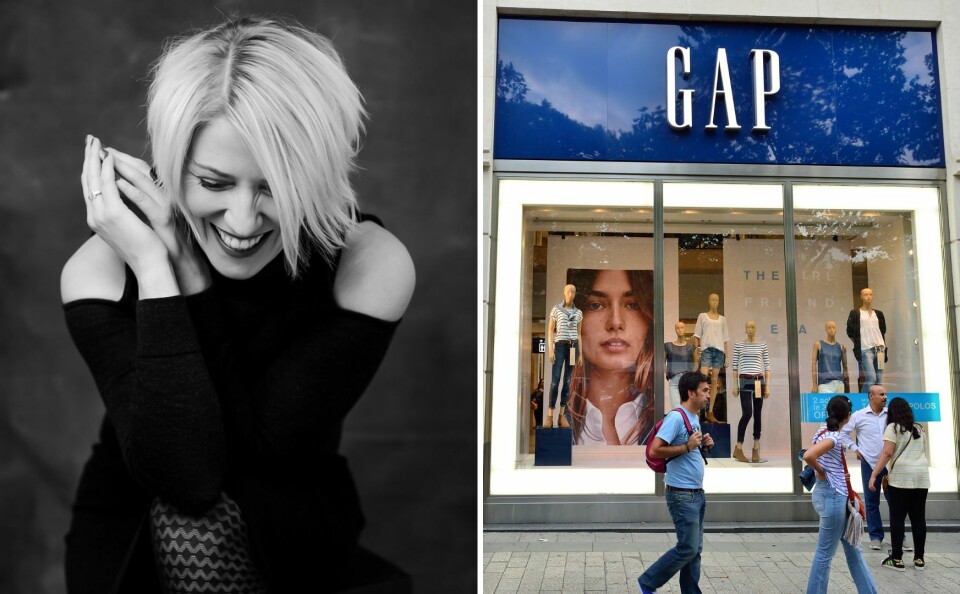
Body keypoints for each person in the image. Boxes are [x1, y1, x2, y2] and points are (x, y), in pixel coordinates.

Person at [60, 17, 415, 592]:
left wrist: (192, 275)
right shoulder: (98, 271)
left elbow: (269, 448)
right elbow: (186, 476)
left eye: (275, 185)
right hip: (135, 519)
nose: (244, 221)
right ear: (173, 164)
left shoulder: (369, 264)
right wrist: (157, 271)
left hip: (289, 509)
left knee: (202, 524)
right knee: (188, 520)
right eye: (214, 183)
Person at [637, 371, 714, 594]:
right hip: (682, 494)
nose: (708, 395)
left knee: (694, 550)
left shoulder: (694, 418)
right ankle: (648, 581)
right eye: (705, 391)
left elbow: (689, 447)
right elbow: (656, 449)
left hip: (696, 493)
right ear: (691, 393)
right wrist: (687, 446)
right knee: (687, 548)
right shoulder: (676, 417)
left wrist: (703, 444)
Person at [566, 269, 655, 445]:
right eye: (595, 305)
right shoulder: (562, 419)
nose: (615, 322)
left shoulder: (660, 419)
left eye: (633, 305)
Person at [802, 395, 879, 594]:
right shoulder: (833, 437)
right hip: (833, 496)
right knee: (825, 554)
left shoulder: (823, 431)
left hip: (831, 495)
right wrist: (821, 470)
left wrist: (825, 470)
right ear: (848, 416)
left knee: (854, 550)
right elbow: (809, 455)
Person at [840, 385, 911, 551]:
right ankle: (876, 537)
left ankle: (900, 537)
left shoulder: (891, 415)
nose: (885, 397)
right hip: (869, 464)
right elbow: (843, 433)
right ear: (871, 396)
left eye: (885, 394)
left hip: (890, 464)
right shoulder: (859, 416)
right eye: (881, 394)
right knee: (872, 503)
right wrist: (855, 449)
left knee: (895, 502)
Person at [868, 397, 930, 572]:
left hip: (901, 479)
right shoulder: (919, 428)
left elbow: (887, 453)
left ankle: (896, 559)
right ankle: (919, 559)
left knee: (897, 518)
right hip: (921, 477)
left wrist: (874, 475)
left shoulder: (893, 428)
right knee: (918, 519)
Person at [730, 321, 770, 463]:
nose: (751, 329)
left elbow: (767, 367)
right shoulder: (739, 345)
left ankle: (755, 447)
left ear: (756, 328)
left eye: (753, 327)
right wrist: (735, 385)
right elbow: (734, 367)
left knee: (757, 414)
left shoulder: (762, 345)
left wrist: (768, 386)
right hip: (744, 380)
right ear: (745, 329)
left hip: (759, 381)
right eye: (748, 327)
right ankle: (738, 448)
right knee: (747, 412)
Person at [545, 284, 583, 428]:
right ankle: (549, 415)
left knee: (567, 381)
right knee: (555, 381)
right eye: (568, 291)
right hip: (560, 346)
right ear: (564, 293)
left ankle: (562, 415)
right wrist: (550, 349)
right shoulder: (556, 309)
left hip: (573, 347)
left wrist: (581, 354)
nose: (571, 294)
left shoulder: (578, 313)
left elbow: (579, 333)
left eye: (573, 291)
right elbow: (550, 330)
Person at [693, 293, 729, 424]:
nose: (714, 302)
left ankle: (710, 411)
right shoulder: (702, 316)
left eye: (717, 300)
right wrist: (697, 351)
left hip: (719, 351)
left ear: (719, 302)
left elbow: (725, 339)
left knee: (714, 381)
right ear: (709, 301)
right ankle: (697, 410)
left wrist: (727, 356)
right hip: (706, 350)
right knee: (702, 380)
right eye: (712, 299)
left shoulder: (723, 319)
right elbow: (697, 335)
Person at [846, 287, 887, 392]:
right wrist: (858, 344)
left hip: (880, 349)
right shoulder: (855, 313)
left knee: (879, 380)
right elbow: (849, 331)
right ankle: (862, 400)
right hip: (866, 349)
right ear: (861, 297)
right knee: (871, 379)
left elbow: (882, 330)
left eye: (870, 294)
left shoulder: (879, 314)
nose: (868, 297)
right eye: (866, 294)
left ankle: (876, 404)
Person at [665, 321, 698, 409]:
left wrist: (691, 376)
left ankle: (687, 422)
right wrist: (667, 371)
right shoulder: (668, 346)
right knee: (676, 408)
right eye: (677, 328)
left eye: (682, 327)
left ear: (685, 329)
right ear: (675, 330)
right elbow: (662, 362)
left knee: (688, 407)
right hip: (674, 380)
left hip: (686, 380)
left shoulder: (691, 347)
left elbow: (696, 363)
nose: (680, 330)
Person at [812, 320, 850, 393]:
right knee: (826, 404)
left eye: (833, 327)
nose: (831, 330)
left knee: (839, 404)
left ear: (836, 329)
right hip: (824, 383)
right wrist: (814, 385)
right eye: (829, 328)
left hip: (839, 383)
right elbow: (813, 365)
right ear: (825, 329)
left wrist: (847, 386)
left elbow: (845, 366)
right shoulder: (818, 345)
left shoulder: (840, 347)